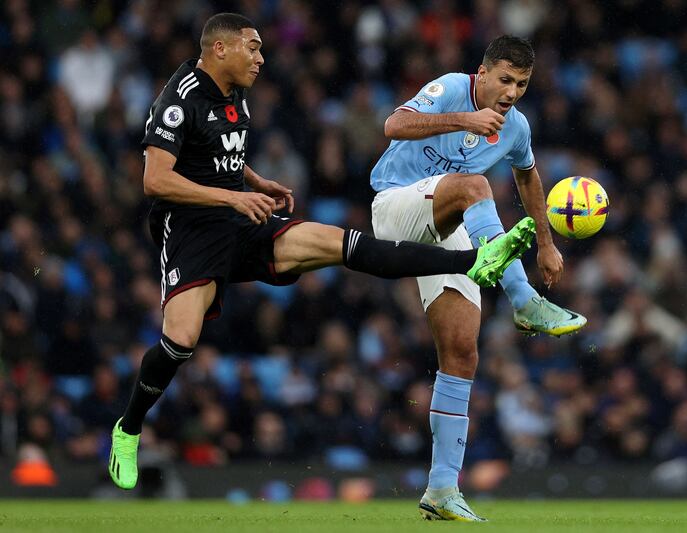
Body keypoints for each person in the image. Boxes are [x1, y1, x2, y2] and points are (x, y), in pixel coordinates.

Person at [107, 14, 538, 491]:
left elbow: (213, 152)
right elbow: (155, 180)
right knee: (182, 341)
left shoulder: (234, 92)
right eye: (252, 48)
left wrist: (253, 182)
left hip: (243, 219)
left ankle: (471, 262)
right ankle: (128, 428)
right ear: (220, 49)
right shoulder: (179, 98)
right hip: (191, 232)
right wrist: (232, 196)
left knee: (341, 245)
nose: (261, 57)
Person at [370, 35, 587, 521]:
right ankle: (523, 298)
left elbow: (528, 178)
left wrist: (548, 244)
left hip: (446, 226)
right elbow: (394, 123)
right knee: (474, 185)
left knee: (463, 351)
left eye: (523, 84)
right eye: (505, 80)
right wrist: (464, 119)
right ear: (483, 73)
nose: (512, 92)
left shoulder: (516, 128)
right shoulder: (451, 89)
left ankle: (442, 490)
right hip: (395, 207)